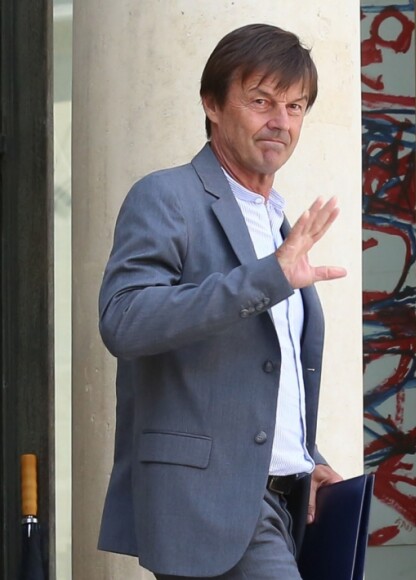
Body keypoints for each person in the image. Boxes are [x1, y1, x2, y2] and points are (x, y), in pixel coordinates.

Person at [97, 23, 346, 580]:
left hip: (284, 501)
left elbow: (256, 373)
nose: (280, 121)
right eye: (261, 101)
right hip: (208, 502)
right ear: (212, 104)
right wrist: (267, 278)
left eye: (296, 106)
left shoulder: (275, 219)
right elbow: (124, 319)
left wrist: (307, 456)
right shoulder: (167, 197)